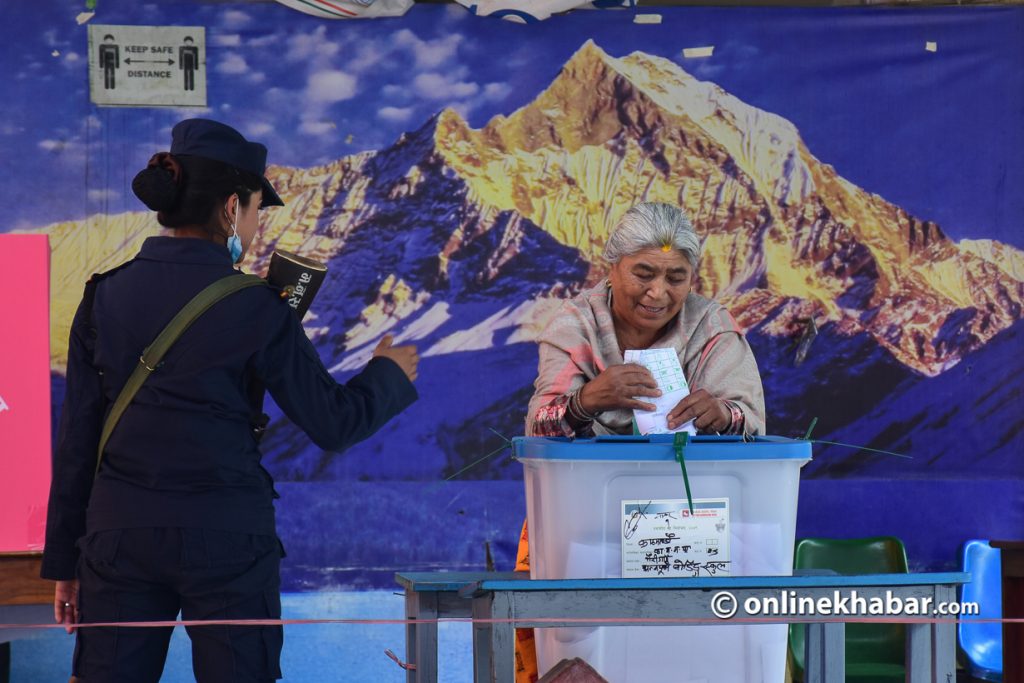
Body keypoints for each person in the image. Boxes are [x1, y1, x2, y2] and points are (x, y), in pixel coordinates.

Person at [40, 118, 419, 683]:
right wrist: (388, 373)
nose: (256, 224)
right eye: (256, 210)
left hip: (119, 536)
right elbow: (336, 423)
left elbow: (79, 441)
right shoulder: (259, 306)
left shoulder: (104, 293)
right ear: (231, 207)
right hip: (227, 540)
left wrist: (65, 564)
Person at [514, 201, 765, 682]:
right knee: (579, 652)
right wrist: (585, 401)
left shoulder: (712, 327)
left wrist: (720, 415)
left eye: (676, 277)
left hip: (695, 525)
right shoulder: (576, 326)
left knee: (685, 652)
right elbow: (539, 428)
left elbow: (751, 421)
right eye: (643, 273)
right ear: (612, 268)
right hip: (581, 523)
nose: (658, 292)